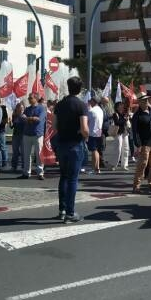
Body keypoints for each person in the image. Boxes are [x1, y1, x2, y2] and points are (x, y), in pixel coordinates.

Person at [53, 76, 89, 223]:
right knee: (73, 179)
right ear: (80, 89)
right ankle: (70, 212)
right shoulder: (81, 105)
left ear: (68, 87)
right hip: (75, 144)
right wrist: (85, 136)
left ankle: (61, 209)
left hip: (61, 143)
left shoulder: (59, 105)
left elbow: (54, 126)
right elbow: (85, 129)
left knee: (63, 177)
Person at [131, 92, 151, 194]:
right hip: (144, 143)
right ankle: (136, 186)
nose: (146, 101)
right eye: (143, 100)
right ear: (139, 102)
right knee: (142, 164)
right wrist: (138, 145)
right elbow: (135, 132)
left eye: (147, 99)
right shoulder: (137, 115)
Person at [21, 93, 46, 179]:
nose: (29, 99)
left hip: (37, 134)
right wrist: (31, 118)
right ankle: (26, 173)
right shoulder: (27, 109)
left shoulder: (42, 108)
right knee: (26, 155)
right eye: (29, 98)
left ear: (35, 99)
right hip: (27, 134)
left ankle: (40, 173)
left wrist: (28, 118)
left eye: (30, 98)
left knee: (39, 155)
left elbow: (38, 119)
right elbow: (23, 117)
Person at [86, 96, 104, 174]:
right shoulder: (100, 110)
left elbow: (87, 121)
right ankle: (97, 168)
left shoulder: (91, 111)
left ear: (94, 102)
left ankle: (95, 168)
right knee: (96, 150)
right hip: (99, 132)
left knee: (94, 151)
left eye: (90, 101)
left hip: (92, 132)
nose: (89, 102)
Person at [111, 101, 131, 171]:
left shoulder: (124, 114)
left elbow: (127, 122)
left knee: (126, 149)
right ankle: (114, 164)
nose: (122, 106)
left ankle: (124, 165)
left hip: (125, 133)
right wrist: (125, 120)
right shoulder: (115, 114)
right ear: (117, 107)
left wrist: (127, 118)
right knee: (118, 149)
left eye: (122, 105)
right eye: (120, 105)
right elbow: (117, 123)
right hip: (118, 133)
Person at [10, 102, 25, 172]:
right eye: (19, 108)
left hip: (23, 136)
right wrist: (10, 122)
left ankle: (24, 166)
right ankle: (14, 166)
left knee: (23, 152)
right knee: (15, 152)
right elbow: (12, 127)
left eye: (22, 108)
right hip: (15, 135)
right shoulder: (14, 116)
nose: (20, 109)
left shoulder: (25, 116)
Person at [0, 97, 9, 170]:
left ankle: (4, 162)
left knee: (2, 147)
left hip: (1, 130)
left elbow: (6, 120)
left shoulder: (3, 109)